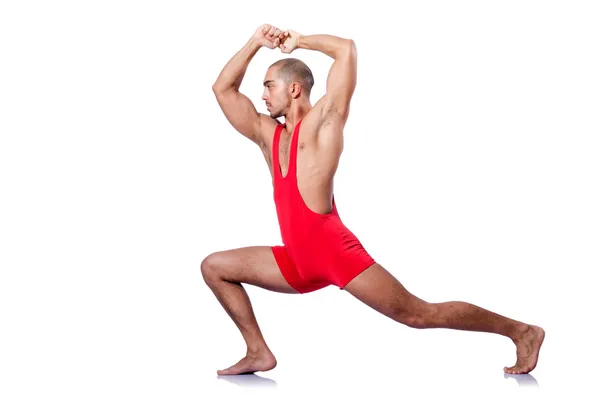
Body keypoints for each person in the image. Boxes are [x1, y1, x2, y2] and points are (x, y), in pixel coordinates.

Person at [204, 24, 544, 376]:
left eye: (268, 86)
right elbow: (222, 89)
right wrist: (256, 43)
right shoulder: (267, 135)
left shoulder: (325, 120)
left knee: (417, 314)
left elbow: (346, 50)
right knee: (214, 267)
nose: (262, 96)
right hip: (295, 260)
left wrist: (300, 42)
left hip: (332, 251)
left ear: (293, 89)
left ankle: (522, 331)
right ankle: (258, 351)